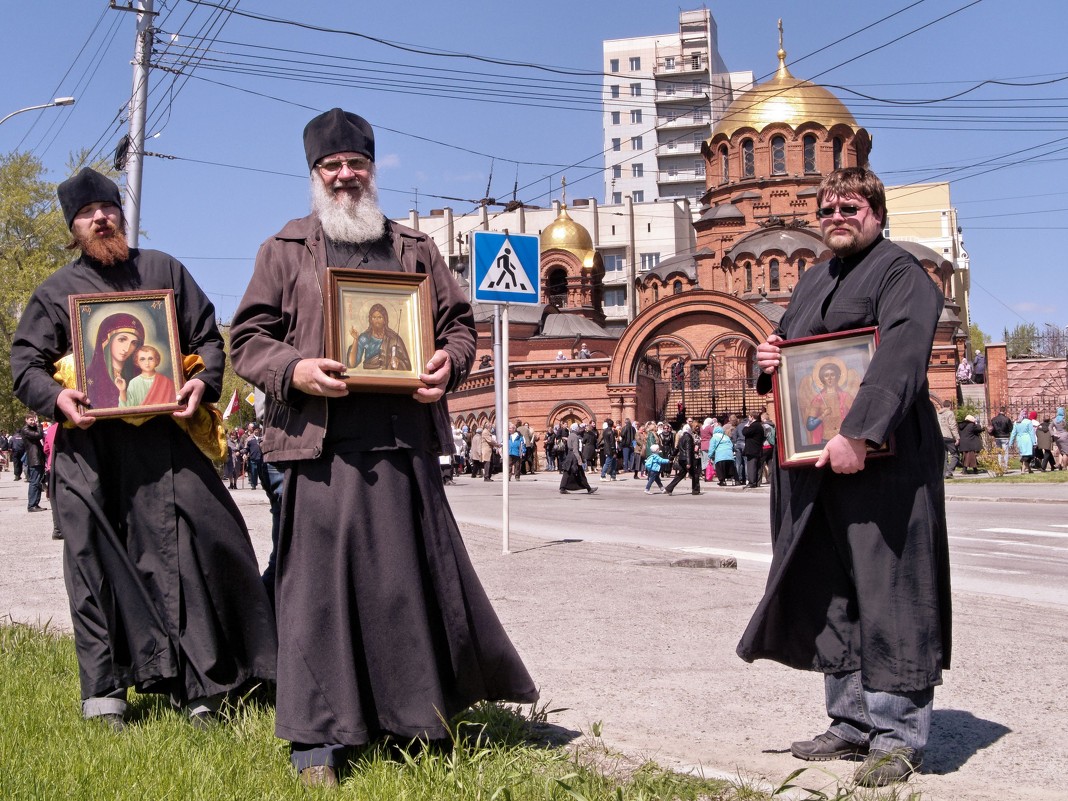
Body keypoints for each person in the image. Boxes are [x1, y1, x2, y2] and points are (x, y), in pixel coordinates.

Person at [229, 108, 537, 786]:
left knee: (402, 587)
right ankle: (316, 740)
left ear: (373, 170)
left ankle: (414, 719)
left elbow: (459, 326)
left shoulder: (413, 249)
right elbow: (247, 340)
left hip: (403, 443)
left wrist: (447, 367)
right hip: (319, 447)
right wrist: (295, 370)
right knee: (317, 595)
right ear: (314, 175)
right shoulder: (284, 249)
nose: (346, 176)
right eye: (332, 166)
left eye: (356, 164)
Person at [11, 167, 276, 732]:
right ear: (74, 228)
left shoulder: (163, 271)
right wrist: (58, 399)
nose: (101, 218)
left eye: (108, 208)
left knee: (201, 544)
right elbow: (24, 367)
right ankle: (105, 690)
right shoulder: (55, 292)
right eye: (88, 214)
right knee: (92, 561)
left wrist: (199, 384)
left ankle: (205, 682)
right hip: (89, 450)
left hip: (164, 442)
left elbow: (207, 335)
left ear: (121, 215)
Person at [737, 167, 951, 788]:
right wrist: (766, 359)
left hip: (881, 460)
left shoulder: (899, 272)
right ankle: (851, 720)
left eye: (849, 206)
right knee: (832, 585)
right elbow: (785, 351)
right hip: (814, 465)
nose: (836, 215)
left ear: (875, 212)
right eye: (827, 208)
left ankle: (896, 733)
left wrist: (861, 431)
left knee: (890, 587)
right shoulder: (810, 282)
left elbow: (904, 354)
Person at [346, 302, 411, 371]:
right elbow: (352, 364)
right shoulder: (365, 338)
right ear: (370, 320)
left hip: (388, 376)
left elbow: (407, 366)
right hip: (369, 375)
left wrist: (397, 362)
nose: (377, 320)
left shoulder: (394, 338)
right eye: (374, 317)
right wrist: (356, 339)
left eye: (380, 317)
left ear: (385, 320)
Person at [805, 362, 855, 445]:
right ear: (822, 378)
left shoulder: (846, 397)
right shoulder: (818, 400)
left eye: (832, 374)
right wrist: (824, 415)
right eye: (826, 375)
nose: (829, 378)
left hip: (844, 439)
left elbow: (857, 417)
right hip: (826, 441)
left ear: (837, 376)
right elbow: (810, 426)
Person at [559, 423, 597, 494]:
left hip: (569, 456)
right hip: (574, 457)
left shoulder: (570, 435)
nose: (579, 429)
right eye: (578, 428)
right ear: (575, 429)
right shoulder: (575, 437)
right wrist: (579, 459)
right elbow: (575, 450)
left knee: (567, 472)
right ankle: (589, 489)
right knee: (580, 473)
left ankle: (562, 488)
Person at [19, 413, 46, 513]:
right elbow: (39, 435)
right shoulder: (25, 430)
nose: (33, 421)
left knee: (38, 482)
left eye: (34, 419)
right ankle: (32, 505)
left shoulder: (32, 429)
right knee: (34, 482)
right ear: (26, 420)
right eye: (31, 419)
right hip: (34, 459)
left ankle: (35, 503)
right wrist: (39, 424)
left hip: (38, 458)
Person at [664, 423, 700, 495]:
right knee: (695, 474)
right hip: (687, 459)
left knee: (681, 474)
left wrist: (672, 456)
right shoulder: (688, 438)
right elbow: (688, 450)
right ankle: (695, 490)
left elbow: (677, 448)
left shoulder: (681, 437)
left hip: (681, 459)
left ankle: (669, 488)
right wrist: (689, 462)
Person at [936, 400, 960, 479]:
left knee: (944, 456)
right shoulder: (950, 413)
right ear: (950, 406)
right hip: (948, 436)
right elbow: (952, 426)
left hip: (939, 437)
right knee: (955, 455)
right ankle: (949, 471)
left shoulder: (938, 414)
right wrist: (957, 437)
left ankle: (944, 473)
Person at [742, 412, 766, 488]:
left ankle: (752, 482)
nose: (748, 419)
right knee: (758, 466)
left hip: (752, 449)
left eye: (749, 417)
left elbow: (745, 432)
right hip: (758, 448)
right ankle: (757, 482)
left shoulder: (754, 425)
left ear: (752, 417)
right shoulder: (760, 425)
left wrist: (746, 426)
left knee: (751, 466)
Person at [988, 407, 1013, 471]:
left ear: (999, 411)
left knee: (999, 452)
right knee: (1005, 452)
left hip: (997, 437)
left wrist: (994, 434)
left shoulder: (994, 419)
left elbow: (991, 428)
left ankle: (999, 466)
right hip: (1005, 437)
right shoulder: (1007, 419)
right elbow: (1011, 429)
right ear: (1005, 411)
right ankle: (1005, 467)